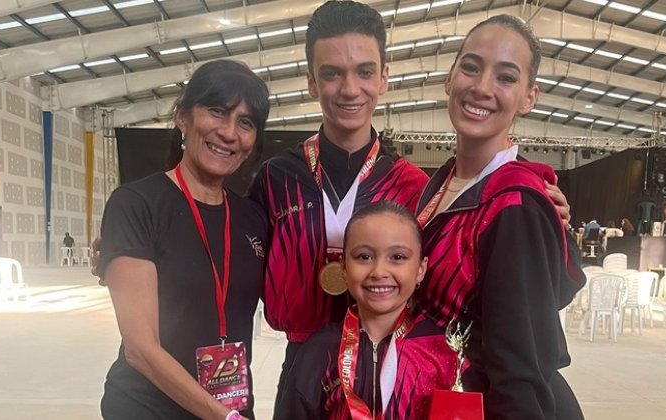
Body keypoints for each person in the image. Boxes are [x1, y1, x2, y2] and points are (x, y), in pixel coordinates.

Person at [248, 2, 574, 403]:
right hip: (308, 368)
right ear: (312, 82)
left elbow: (525, 333)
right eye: (332, 73)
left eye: (364, 71)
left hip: (414, 373)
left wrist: (545, 214)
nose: (349, 88)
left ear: (384, 78)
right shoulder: (276, 178)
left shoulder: (412, 184)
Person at [415, 15, 585, 419]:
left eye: (506, 77)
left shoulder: (516, 204)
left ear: (529, 98)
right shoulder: (441, 185)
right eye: (470, 67)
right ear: (449, 78)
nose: (481, 87)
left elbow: (521, 367)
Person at [97, 60, 269, 420]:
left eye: (246, 122)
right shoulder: (137, 205)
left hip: (230, 405)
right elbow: (140, 349)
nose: (229, 132)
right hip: (148, 408)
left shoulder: (253, 218)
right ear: (182, 117)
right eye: (217, 112)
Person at [274, 201, 459, 419]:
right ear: (344, 267)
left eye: (397, 257)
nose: (379, 271)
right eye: (364, 257)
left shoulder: (443, 351)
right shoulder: (318, 350)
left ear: (420, 269)